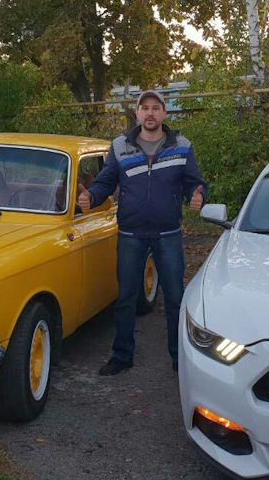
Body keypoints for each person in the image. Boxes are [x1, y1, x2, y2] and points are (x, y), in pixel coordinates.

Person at [78, 90, 206, 376]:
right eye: (144, 108)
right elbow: (106, 182)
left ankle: (179, 359)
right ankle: (122, 356)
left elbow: (194, 182)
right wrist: (91, 197)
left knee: (175, 298)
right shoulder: (120, 146)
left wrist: (198, 196)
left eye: (156, 108)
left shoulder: (182, 146)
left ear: (164, 113)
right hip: (130, 234)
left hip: (168, 234)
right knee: (125, 298)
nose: (150, 113)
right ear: (137, 113)